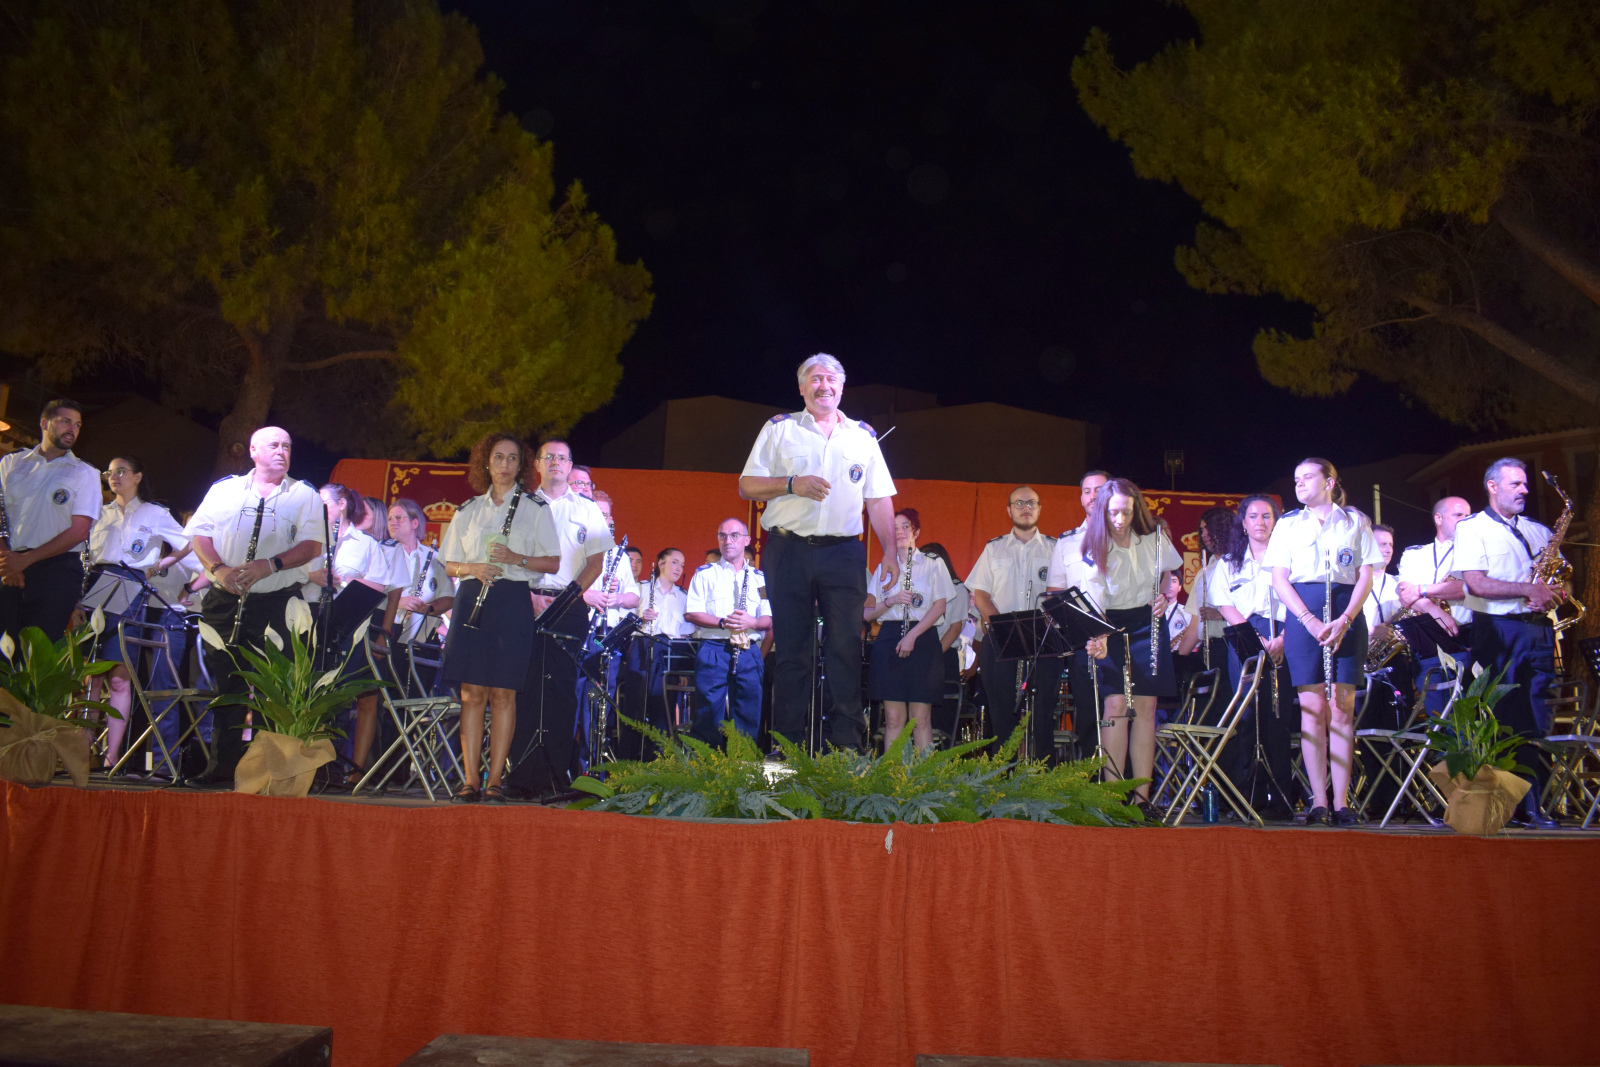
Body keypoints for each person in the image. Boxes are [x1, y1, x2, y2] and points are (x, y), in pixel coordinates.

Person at [738, 353, 896, 752]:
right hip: (787, 549)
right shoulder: (779, 429)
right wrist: (792, 484)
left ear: (842, 387)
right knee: (792, 650)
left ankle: (847, 752)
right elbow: (747, 486)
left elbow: (878, 498)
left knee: (845, 649)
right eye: (815, 378)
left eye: (831, 379)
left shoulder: (862, 436)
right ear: (802, 387)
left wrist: (891, 552)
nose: (824, 385)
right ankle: (788, 750)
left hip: (844, 554)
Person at [185, 426, 327, 784]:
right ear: (253, 450)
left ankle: (266, 773)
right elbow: (198, 533)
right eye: (274, 445)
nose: (282, 452)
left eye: (288, 447)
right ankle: (221, 768)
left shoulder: (304, 494)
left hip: (276, 601)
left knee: (272, 688)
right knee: (227, 685)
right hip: (225, 597)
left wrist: (270, 564)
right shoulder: (225, 490)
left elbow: (312, 546)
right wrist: (218, 569)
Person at [437, 432, 560, 803]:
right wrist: (472, 567)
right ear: (485, 463)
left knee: (503, 694)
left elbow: (552, 562)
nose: (504, 464)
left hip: (511, 601)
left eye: (511, 458)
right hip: (473, 597)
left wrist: (516, 559)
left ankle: (494, 781)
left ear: (521, 465)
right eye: (497, 457)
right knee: (472, 693)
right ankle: (469, 780)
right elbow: (448, 563)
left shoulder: (536, 508)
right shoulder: (467, 510)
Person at [1264, 458, 1381, 826]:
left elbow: (1366, 575)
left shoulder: (1355, 520)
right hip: (1304, 618)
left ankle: (1343, 802)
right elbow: (1280, 580)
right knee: (1312, 712)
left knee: (1342, 709)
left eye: (1307, 477)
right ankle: (1319, 801)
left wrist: (1346, 619)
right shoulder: (1287, 524)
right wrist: (1310, 620)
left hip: (1345, 614)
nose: (1299, 483)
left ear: (1330, 481)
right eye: (1295, 478)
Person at [1452, 458, 1565, 828]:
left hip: (1537, 630)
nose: (1525, 490)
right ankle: (1504, 807)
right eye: (1516, 484)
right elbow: (1477, 583)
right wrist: (1526, 589)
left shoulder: (1539, 530)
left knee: (1536, 718)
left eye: (1525, 484)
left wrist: (1554, 593)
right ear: (1492, 486)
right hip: (1498, 630)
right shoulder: (1473, 528)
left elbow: (1562, 577)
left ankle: (1535, 806)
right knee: (1502, 718)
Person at [503, 438, 611, 796]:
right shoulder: (517, 505)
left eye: (562, 458)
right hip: (522, 602)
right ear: (536, 464)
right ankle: (520, 775)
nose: (555, 463)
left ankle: (556, 775)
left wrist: (567, 598)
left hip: (569, 605)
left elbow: (596, 563)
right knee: (524, 688)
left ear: (570, 465)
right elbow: (502, 555)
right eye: (548, 457)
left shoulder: (588, 509)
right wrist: (527, 595)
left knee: (562, 690)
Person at [77, 455, 190, 770]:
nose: (113, 477)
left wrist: (159, 565)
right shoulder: (99, 512)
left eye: (121, 471)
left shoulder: (155, 513)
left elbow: (189, 543)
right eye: (109, 472)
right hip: (96, 585)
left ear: (138, 476)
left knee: (119, 676)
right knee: (91, 676)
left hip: (131, 583)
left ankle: (112, 756)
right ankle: (82, 751)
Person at [1077, 478, 1183, 812]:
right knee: (1116, 706)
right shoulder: (1093, 545)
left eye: (1125, 511)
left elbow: (1169, 572)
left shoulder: (1154, 540)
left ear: (1136, 508)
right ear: (1102, 513)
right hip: (1109, 624)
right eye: (1113, 513)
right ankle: (1112, 799)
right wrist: (1098, 636)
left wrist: (1164, 596)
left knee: (1146, 709)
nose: (1120, 520)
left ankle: (1142, 799)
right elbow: (1092, 598)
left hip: (1148, 623)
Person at [1208, 493, 1296, 819]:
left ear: (1276, 521)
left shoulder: (1290, 559)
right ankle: (1248, 799)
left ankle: (1282, 802)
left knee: (1277, 717)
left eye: (1267, 516)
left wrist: (1284, 639)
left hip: (1285, 636)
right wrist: (1252, 636)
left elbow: (1300, 604)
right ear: (1243, 524)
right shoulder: (1230, 562)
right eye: (1253, 517)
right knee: (1246, 717)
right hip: (1244, 635)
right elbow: (1225, 604)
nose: (1260, 523)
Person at [966, 485, 1061, 761]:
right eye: (1019, 503)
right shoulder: (994, 549)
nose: (1025, 507)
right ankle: (1001, 789)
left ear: (1040, 508)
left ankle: (1043, 787)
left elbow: (1062, 592)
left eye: (1031, 502)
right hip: (1001, 638)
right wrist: (1000, 626)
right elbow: (980, 593)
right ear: (1008, 510)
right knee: (1002, 720)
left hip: (1044, 639)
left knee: (1042, 718)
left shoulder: (1055, 548)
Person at [0, 399, 102, 643]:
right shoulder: (11, 463)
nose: (73, 429)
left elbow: (79, 531)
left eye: (77, 425)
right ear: (44, 423)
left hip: (55, 571)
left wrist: (25, 561)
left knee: (39, 656)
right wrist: (7, 560)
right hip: (8, 567)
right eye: (65, 421)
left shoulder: (85, 473)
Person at [864, 509, 953, 754]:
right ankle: (892, 779)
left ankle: (924, 782)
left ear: (916, 532)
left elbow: (940, 606)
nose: (900, 532)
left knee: (921, 719)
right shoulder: (882, 567)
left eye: (905, 526)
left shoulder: (933, 564)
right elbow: (867, 614)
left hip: (922, 637)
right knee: (893, 718)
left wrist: (912, 636)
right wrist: (890, 601)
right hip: (889, 638)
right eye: (894, 528)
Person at [685, 518, 772, 744]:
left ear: (746, 540)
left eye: (734, 535)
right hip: (714, 648)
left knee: (748, 713)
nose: (727, 541)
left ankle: (742, 771)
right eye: (722, 535)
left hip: (748, 650)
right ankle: (706, 770)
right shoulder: (705, 574)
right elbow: (692, 613)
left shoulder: (759, 579)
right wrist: (724, 623)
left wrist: (751, 621)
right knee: (708, 714)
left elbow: (768, 618)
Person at [1047, 470, 1111, 759]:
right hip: (1082, 640)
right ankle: (1089, 782)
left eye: (1099, 489)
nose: (1093, 496)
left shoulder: (1128, 538)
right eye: (1087, 490)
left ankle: (1124, 787)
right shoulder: (1067, 542)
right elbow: (1054, 593)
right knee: (1087, 712)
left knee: (1120, 712)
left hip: (1120, 634)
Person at [1396, 496, 1472, 713]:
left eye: (1468, 515)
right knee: (1437, 716)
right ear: (1438, 518)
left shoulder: (1474, 552)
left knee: (1467, 716)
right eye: (1459, 515)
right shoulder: (1415, 553)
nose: (1465, 520)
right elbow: (1405, 593)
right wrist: (1434, 609)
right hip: (1426, 640)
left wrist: (1422, 591)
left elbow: (1468, 587)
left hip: (1464, 636)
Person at [618, 547, 693, 758]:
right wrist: (641, 619)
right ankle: (629, 761)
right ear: (661, 563)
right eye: (674, 562)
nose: (679, 568)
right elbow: (623, 626)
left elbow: (686, 634)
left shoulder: (683, 597)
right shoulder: (641, 589)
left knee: (663, 709)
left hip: (668, 654)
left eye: (682, 564)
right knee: (635, 707)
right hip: (641, 649)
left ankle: (657, 761)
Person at [919, 541, 970, 746]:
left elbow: (955, 628)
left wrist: (933, 656)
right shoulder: (919, 590)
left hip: (942, 655)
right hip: (918, 654)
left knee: (941, 718)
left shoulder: (958, 589)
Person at [387, 498, 453, 647]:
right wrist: (398, 602)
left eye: (398, 517)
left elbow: (448, 598)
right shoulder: (381, 553)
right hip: (389, 628)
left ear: (414, 523)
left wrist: (427, 609)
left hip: (424, 632)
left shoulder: (435, 557)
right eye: (390, 518)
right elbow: (370, 594)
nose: (392, 522)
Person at [1191, 507, 1236, 677]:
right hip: (1208, 645)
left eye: (1209, 528)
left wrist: (1220, 615)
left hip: (1230, 643)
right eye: (1202, 529)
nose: (1204, 535)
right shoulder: (1205, 570)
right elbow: (1195, 621)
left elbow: (1254, 607)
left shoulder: (1239, 564)